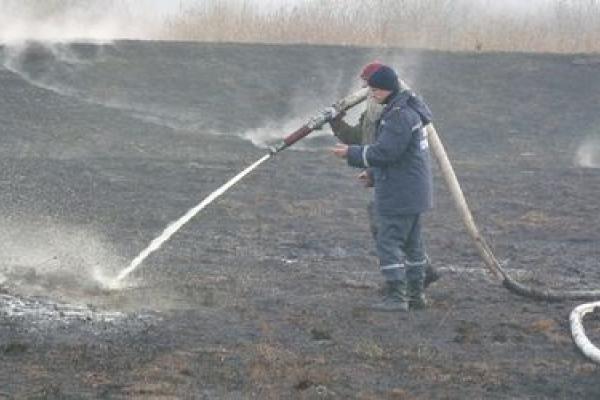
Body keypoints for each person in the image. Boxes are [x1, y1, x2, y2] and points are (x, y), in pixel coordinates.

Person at [331, 64, 435, 311]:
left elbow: (386, 152)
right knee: (413, 244)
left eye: (373, 88)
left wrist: (351, 154)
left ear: (385, 88)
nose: (370, 92)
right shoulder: (404, 111)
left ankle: (397, 297)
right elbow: (401, 157)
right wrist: (374, 176)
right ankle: (415, 296)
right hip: (411, 190)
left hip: (399, 193)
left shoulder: (398, 116)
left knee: (388, 242)